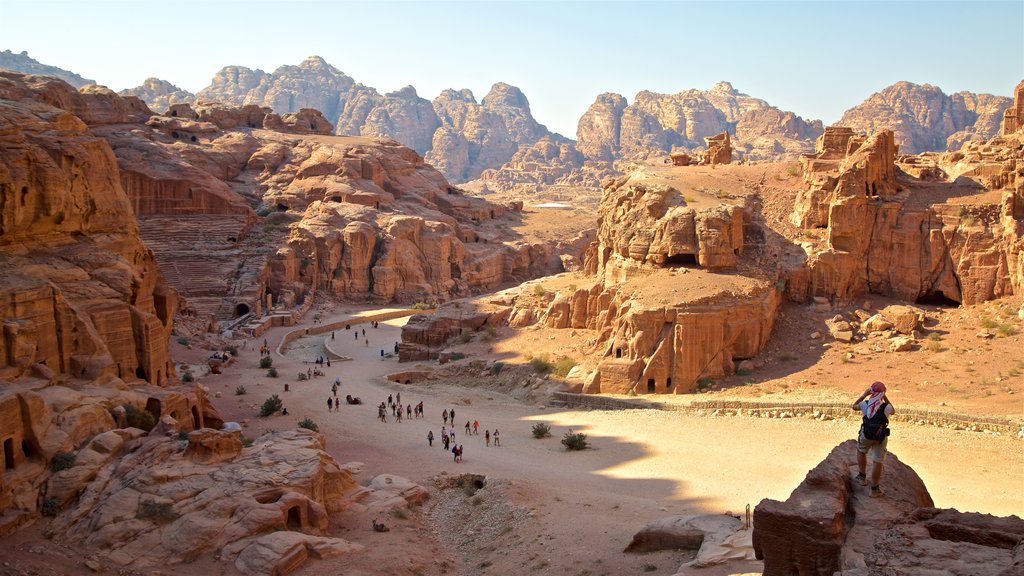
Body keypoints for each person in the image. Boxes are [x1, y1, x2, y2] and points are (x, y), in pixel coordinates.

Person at [852, 381, 895, 497]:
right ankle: (874, 489)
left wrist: (864, 395)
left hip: (866, 434)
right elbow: (894, 411)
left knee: (861, 451)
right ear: (883, 393)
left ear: (871, 392)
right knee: (878, 461)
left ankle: (862, 477)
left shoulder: (865, 404)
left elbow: (853, 406)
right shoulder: (887, 407)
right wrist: (884, 397)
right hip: (880, 436)